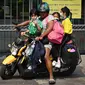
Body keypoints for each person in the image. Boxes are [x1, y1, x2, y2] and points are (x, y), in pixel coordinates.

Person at [36, 2, 56, 84]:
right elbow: (39, 30)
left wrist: (42, 36)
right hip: (40, 39)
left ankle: (51, 76)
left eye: (44, 12)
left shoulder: (50, 17)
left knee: (46, 56)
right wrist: (36, 24)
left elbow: (49, 29)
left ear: (47, 11)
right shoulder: (39, 19)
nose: (42, 13)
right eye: (40, 12)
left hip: (48, 40)